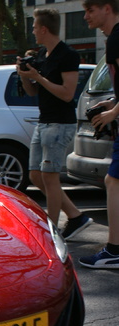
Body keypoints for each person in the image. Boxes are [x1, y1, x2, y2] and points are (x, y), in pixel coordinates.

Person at [17, 8, 92, 239]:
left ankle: (53, 231)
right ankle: (76, 216)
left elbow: (68, 94)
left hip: (60, 123)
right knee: (36, 176)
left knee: (49, 176)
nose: (32, 32)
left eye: (34, 28)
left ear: (44, 29)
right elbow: (32, 91)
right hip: (44, 121)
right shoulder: (42, 54)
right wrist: (23, 74)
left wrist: (39, 77)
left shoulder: (67, 55)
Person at [79, 0, 119, 269]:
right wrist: (112, 102)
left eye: (90, 10)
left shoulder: (116, 40)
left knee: (113, 182)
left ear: (107, 7)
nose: (85, 17)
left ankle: (114, 251)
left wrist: (113, 113)